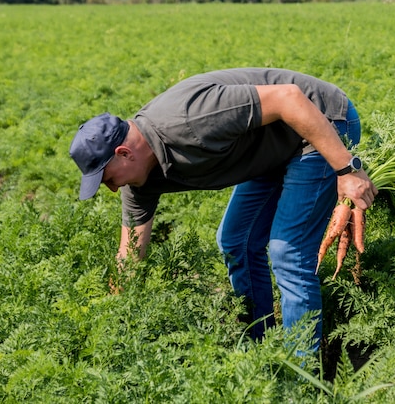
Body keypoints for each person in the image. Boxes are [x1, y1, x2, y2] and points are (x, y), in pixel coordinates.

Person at [69, 68, 378, 348]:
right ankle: (262, 348)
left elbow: (289, 98)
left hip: (321, 120)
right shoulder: (138, 181)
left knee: (288, 252)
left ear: (124, 153)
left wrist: (347, 169)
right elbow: (130, 254)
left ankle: (301, 377)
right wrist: (108, 321)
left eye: (107, 178)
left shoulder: (189, 119)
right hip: (270, 147)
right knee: (235, 242)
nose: (111, 188)